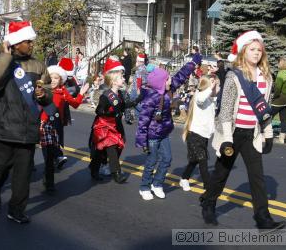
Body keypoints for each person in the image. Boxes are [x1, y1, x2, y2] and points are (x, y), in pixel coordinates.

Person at [200, 31, 286, 233]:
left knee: (257, 176)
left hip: (252, 134)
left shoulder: (267, 77)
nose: (256, 53)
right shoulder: (234, 75)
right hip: (233, 132)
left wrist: (268, 135)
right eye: (252, 49)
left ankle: (262, 217)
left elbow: (263, 110)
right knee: (222, 172)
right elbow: (227, 110)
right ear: (243, 51)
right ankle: (209, 203)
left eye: (259, 50)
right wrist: (227, 140)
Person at [0, 21, 52, 224]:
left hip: (28, 128)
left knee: (23, 174)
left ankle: (16, 209)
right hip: (4, 127)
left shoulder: (38, 65)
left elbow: (48, 93)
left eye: (30, 41)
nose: (31, 45)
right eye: (27, 41)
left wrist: (43, 94)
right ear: (15, 42)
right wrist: (6, 56)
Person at [136, 52, 201, 200]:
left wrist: (193, 63)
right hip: (152, 135)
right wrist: (141, 140)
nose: (171, 80)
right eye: (167, 79)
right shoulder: (151, 98)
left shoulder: (169, 90)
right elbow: (143, 121)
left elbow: (181, 74)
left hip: (163, 132)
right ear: (160, 82)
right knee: (152, 161)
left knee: (167, 158)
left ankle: (157, 184)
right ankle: (144, 187)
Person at [88, 56, 141, 183]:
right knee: (109, 147)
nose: (124, 79)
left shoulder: (120, 94)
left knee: (115, 147)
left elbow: (123, 105)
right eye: (121, 77)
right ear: (113, 80)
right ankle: (116, 173)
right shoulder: (106, 96)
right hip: (104, 125)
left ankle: (96, 167)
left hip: (115, 124)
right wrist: (106, 112)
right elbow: (99, 111)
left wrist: (137, 100)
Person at [40, 64, 89, 193]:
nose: (54, 80)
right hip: (43, 125)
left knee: (50, 156)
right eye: (51, 77)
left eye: (57, 78)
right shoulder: (42, 90)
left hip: (56, 126)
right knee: (47, 155)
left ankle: (49, 181)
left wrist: (81, 94)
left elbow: (75, 104)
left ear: (61, 80)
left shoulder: (62, 91)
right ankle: (47, 181)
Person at [180, 75, 218, 191]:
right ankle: (208, 187)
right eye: (211, 85)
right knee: (203, 161)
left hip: (204, 135)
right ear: (206, 86)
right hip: (195, 134)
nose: (214, 87)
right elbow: (202, 98)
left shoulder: (210, 99)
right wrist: (211, 87)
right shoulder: (198, 96)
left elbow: (214, 94)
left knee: (194, 160)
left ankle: (184, 178)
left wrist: (215, 84)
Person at [271, 57, 286, 143]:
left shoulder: (280, 74)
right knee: (283, 118)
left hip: (280, 99)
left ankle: (266, 135)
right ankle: (282, 137)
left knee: (268, 117)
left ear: (281, 64)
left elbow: (277, 89)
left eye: (279, 63)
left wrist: (274, 97)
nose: (277, 64)